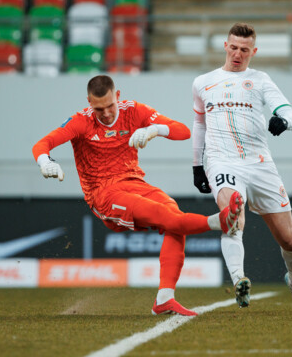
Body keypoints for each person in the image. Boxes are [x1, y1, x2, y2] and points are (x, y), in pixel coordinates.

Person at [32, 75, 243, 316]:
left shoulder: (133, 111)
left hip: (134, 182)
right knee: (164, 215)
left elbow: (183, 131)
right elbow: (43, 143)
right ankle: (219, 221)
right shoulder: (81, 121)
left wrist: (155, 130)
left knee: (172, 213)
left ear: (117, 96)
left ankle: (165, 298)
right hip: (104, 194)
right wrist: (44, 161)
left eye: (110, 106)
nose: (107, 113)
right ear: (89, 102)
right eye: (99, 108)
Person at [191, 23, 292, 312]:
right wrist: (197, 165)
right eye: (233, 47)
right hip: (221, 160)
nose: (237, 54)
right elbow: (199, 124)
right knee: (233, 213)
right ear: (225, 46)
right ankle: (239, 280)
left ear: (253, 51)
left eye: (244, 50)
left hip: (259, 164)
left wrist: (283, 121)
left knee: (289, 240)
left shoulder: (260, 80)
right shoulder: (202, 82)